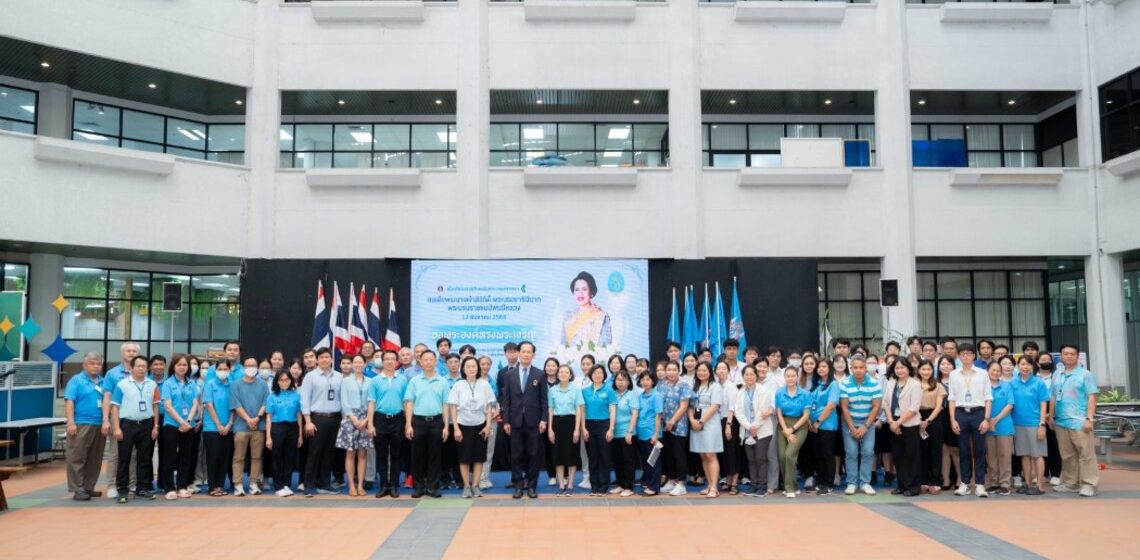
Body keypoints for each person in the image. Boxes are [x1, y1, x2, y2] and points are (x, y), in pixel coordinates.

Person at [498, 341, 549, 499]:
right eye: (524, 351)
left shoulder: (539, 374)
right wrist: (506, 421)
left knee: (533, 455)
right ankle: (518, 486)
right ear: (519, 353)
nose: (526, 354)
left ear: (533, 355)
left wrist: (544, 420)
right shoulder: (509, 375)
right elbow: (506, 401)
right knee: (516, 456)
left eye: (529, 352)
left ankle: (532, 486)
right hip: (515, 422)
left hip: (534, 423)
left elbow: (544, 400)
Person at [109, 355, 160, 503]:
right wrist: (116, 427)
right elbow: (115, 407)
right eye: (138, 366)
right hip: (127, 425)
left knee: (144, 458)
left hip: (147, 424)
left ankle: (142, 488)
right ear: (131, 368)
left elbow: (156, 406)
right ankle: (122, 490)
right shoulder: (122, 385)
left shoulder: (152, 384)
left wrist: (155, 426)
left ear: (147, 368)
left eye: (144, 366)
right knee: (124, 458)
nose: (141, 369)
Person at [1050, 344, 1099, 497]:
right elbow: (1052, 395)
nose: (1069, 356)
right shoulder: (1057, 374)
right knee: (1067, 455)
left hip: (1079, 421)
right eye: (1066, 353)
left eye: (1072, 354)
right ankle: (1071, 483)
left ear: (1077, 356)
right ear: (1061, 356)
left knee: (1086, 453)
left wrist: (1089, 418)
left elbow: (1092, 396)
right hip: (1061, 421)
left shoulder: (1085, 374)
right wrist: (1051, 415)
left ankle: (1089, 484)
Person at [404, 350, 451, 498]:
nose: (429, 362)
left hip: (437, 421)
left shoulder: (442, 381)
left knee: (435, 456)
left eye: (431, 359)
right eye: (426, 359)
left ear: (435, 361)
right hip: (418, 421)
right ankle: (418, 487)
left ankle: (432, 487)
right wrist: (408, 424)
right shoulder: (414, 381)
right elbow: (409, 403)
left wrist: (446, 426)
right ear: (420, 362)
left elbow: (446, 404)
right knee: (417, 455)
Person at [948, 343, 993, 498]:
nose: (965, 356)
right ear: (959, 356)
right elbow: (952, 399)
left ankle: (980, 484)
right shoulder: (954, 374)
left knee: (979, 450)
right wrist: (953, 419)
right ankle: (965, 483)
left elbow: (988, 397)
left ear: (974, 355)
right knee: (963, 450)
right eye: (963, 353)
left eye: (969, 353)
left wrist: (987, 419)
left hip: (978, 413)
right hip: (960, 413)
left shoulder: (982, 373)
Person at [447, 357, 496, 498]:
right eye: (468, 366)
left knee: (479, 458)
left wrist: (487, 426)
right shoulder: (458, 385)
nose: (471, 369)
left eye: (474, 366)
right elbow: (453, 407)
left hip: (480, 425)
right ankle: (466, 486)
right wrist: (455, 428)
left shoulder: (484, 384)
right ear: (463, 369)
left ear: (478, 368)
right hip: (462, 425)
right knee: (464, 458)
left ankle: (475, 486)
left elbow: (489, 406)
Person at [64, 351, 108, 501]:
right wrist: (71, 422)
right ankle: (78, 488)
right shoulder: (76, 380)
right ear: (84, 365)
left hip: (99, 424)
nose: (95, 366)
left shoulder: (103, 382)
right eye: (92, 363)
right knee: (77, 457)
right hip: (81, 423)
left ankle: (89, 487)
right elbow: (69, 400)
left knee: (95, 458)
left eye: (98, 364)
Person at [300, 348, 343, 497]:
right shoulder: (310, 377)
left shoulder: (339, 377)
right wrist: (308, 421)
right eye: (322, 357)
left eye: (327, 357)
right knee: (314, 453)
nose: (325, 359)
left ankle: (324, 483)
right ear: (317, 360)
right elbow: (304, 400)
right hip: (317, 418)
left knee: (329, 453)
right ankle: (309, 485)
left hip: (335, 418)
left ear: (332, 359)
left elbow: (341, 399)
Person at [101, 341, 140, 499]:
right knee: (115, 454)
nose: (131, 353)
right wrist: (106, 419)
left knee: (134, 454)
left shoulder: (142, 372)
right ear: (123, 353)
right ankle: (112, 484)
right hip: (118, 419)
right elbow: (107, 397)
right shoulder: (112, 374)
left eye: (134, 351)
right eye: (128, 351)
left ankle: (132, 483)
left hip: (136, 420)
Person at [367, 350, 408, 498]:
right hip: (380, 419)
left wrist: (407, 423)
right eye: (387, 359)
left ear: (397, 362)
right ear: (382, 362)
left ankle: (395, 485)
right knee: (381, 455)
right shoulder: (375, 381)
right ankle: (384, 485)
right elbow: (371, 403)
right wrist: (370, 424)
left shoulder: (403, 379)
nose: (390, 362)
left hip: (398, 419)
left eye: (393, 359)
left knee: (396, 454)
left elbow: (407, 402)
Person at [158, 354, 199, 500]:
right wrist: (181, 421)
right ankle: (169, 487)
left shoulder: (192, 383)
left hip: (188, 425)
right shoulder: (168, 383)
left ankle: (182, 486)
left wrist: (188, 421)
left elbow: (195, 403)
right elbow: (167, 406)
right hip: (171, 424)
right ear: (173, 366)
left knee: (185, 456)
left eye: (185, 365)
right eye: (179, 365)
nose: (182, 367)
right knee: (169, 456)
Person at [840, 356, 882, 496]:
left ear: (866, 368)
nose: (858, 370)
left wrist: (865, 426)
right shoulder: (845, 383)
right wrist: (852, 428)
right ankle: (851, 483)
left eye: (861, 367)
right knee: (851, 452)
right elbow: (844, 408)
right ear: (851, 369)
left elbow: (876, 407)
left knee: (868, 452)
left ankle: (865, 482)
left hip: (867, 422)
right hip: (849, 422)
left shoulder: (874, 383)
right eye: (855, 367)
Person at [1010, 355, 1049, 496]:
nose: (1025, 367)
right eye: (1022, 364)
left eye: (1028, 364)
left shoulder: (1039, 383)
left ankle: (1039, 485)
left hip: (1034, 424)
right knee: (1024, 455)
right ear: (1018, 366)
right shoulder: (1013, 383)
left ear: (1033, 366)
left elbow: (1043, 404)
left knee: (1037, 455)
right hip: (1018, 424)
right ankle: (1027, 483)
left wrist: (1042, 425)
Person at [230, 357, 269, 496]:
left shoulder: (263, 385)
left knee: (257, 457)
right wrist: (248, 419)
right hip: (241, 427)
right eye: (247, 365)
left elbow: (265, 403)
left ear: (257, 367)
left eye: (253, 365)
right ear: (243, 367)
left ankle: (254, 483)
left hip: (258, 427)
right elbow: (236, 405)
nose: (250, 367)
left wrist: (257, 418)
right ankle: (238, 484)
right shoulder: (235, 385)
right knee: (238, 457)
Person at [883, 360, 922, 497]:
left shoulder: (915, 384)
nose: (900, 370)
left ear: (908, 368)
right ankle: (901, 484)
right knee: (898, 456)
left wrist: (898, 422)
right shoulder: (891, 383)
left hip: (909, 424)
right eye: (897, 368)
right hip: (893, 424)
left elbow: (914, 408)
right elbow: (886, 404)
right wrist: (891, 422)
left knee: (911, 456)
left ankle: (913, 486)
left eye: (902, 367)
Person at [337, 354, 373, 497]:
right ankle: (351, 485)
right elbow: (344, 402)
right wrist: (353, 419)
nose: (358, 364)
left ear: (365, 364)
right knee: (350, 453)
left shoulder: (371, 381)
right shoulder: (345, 381)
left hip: (365, 418)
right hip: (349, 418)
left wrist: (365, 420)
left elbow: (372, 401)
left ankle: (360, 485)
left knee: (363, 454)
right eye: (355, 362)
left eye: (360, 362)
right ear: (352, 365)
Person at [736, 364, 774, 496]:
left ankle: (762, 486)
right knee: (751, 460)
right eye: (746, 374)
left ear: (756, 376)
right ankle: (753, 485)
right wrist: (749, 427)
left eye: (752, 374)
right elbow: (738, 412)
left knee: (760, 458)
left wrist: (755, 426)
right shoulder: (740, 392)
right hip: (747, 431)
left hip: (763, 430)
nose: (749, 377)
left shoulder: (763, 390)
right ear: (743, 376)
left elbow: (763, 411)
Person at [657, 360, 693, 496]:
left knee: (679, 455)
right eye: (669, 370)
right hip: (663, 425)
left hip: (678, 425)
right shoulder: (661, 386)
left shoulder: (683, 385)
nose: (671, 372)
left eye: (674, 370)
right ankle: (671, 481)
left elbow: (684, 406)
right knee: (668, 454)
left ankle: (681, 484)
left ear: (678, 371)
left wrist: (672, 421)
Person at [547, 364, 584, 496]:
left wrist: (577, 429)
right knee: (558, 455)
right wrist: (550, 429)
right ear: (557, 375)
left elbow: (579, 410)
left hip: (571, 422)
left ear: (570, 375)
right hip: (557, 423)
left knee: (572, 454)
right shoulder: (552, 390)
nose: (563, 374)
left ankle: (570, 485)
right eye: (561, 372)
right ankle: (562, 484)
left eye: (566, 372)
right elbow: (550, 410)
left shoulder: (576, 390)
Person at [265, 369, 302, 497]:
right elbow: (268, 417)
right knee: (277, 457)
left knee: (289, 457)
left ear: (291, 380)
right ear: (277, 381)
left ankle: (287, 484)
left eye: (287, 380)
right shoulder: (272, 396)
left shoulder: (296, 395)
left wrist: (300, 435)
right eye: (281, 380)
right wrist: (268, 437)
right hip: (277, 427)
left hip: (292, 428)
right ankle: (278, 485)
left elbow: (299, 415)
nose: (284, 382)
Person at [689, 362, 723, 498]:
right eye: (699, 370)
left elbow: (715, 406)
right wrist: (692, 420)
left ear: (710, 372)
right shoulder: (695, 387)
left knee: (710, 454)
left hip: (710, 423)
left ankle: (714, 487)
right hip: (696, 424)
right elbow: (690, 406)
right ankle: (709, 485)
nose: (701, 373)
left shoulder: (715, 386)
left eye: (704, 370)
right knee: (702, 455)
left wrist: (702, 421)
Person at [581, 364, 616, 496]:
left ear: (604, 375)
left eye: (600, 373)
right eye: (595, 373)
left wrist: (611, 428)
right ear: (591, 375)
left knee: (604, 457)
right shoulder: (585, 391)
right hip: (589, 426)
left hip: (604, 425)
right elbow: (582, 411)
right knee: (593, 457)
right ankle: (594, 485)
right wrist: (583, 428)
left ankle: (604, 486)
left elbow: (612, 410)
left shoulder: (609, 390)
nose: (597, 375)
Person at [774, 366, 809, 498]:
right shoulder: (779, 392)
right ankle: (793, 485)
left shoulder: (805, 394)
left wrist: (792, 430)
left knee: (790, 454)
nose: (790, 378)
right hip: (783, 426)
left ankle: (789, 489)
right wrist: (786, 430)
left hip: (800, 426)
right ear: (784, 377)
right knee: (782, 457)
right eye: (787, 376)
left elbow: (806, 415)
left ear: (797, 377)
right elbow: (779, 413)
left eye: (793, 376)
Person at [202, 359, 235, 497]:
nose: (223, 371)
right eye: (220, 369)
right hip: (212, 428)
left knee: (224, 458)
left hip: (228, 428)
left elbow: (235, 406)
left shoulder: (232, 385)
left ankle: (220, 485)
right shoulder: (210, 384)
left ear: (229, 370)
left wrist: (229, 424)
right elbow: (208, 404)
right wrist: (219, 425)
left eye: (225, 369)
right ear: (215, 370)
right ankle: (212, 486)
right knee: (213, 457)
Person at [808, 357, 840, 495]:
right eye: (819, 367)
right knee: (818, 454)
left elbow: (831, 405)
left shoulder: (834, 385)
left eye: (824, 367)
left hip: (826, 425)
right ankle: (821, 481)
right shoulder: (816, 384)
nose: (821, 369)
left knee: (827, 454)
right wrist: (810, 422)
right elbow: (809, 404)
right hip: (813, 426)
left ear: (830, 369)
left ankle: (829, 484)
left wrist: (818, 422)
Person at [984, 361, 1015, 496]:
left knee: (1004, 456)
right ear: (987, 371)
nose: (995, 373)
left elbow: (1010, 405)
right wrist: (988, 421)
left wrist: (995, 419)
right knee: (991, 456)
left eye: (998, 370)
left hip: (1004, 425)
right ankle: (993, 483)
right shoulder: (983, 386)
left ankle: (1005, 484)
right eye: (993, 370)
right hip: (987, 426)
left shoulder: (1007, 386)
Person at [916, 360, 946, 495]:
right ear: (918, 370)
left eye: (928, 369)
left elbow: (939, 406)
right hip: (916, 417)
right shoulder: (913, 384)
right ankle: (923, 480)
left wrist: (927, 421)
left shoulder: (938, 386)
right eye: (923, 369)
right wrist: (919, 420)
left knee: (935, 450)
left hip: (934, 418)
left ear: (932, 371)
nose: (926, 372)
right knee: (921, 451)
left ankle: (936, 481)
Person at [562, 272, 613, 347]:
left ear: (591, 291)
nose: (580, 293)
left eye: (584, 289)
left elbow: (606, 347)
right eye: (577, 290)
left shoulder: (601, 316)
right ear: (573, 293)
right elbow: (563, 346)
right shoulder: (568, 316)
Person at [634, 372, 663, 496]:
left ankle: (655, 487)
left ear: (652, 381)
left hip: (652, 433)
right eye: (642, 379)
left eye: (648, 379)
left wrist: (656, 434)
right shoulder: (640, 395)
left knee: (654, 461)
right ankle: (649, 484)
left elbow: (658, 415)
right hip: (641, 433)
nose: (645, 382)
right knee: (646, 462)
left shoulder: (656, 395)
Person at [610, 371, 639, 497]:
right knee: (618, 460)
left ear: (628, 382)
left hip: (628, 433)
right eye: (618, 380)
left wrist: (629, 432)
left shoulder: (632, 395)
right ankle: (621, 484)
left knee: (628, 460)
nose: (620, 382)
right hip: (614, 433)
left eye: (623, 380)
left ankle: (628, 486)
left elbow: (635, 414)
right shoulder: (613, 394)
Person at [713, 360, 740, 495]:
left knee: (732, 452)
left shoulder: (731, 386)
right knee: (724, 453)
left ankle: (734, 483)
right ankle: (728, 481)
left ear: (728, 371)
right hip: (717, 422)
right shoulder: (716, 386)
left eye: (724, 368)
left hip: (729, 421)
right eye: (719, 368)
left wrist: (728, 425)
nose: (721, 371)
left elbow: (732, 407)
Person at [1036, 352, 1062, 485]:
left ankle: (1056, 473)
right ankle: (1043, 473)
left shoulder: (1057, 377)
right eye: (1042, 360)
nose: (1046, 361)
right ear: (1037, 363)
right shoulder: (1034, 378)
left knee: (1053, 445)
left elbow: (1058, 397)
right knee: (1040, 444)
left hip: (1053, 413)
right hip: (1037, 414)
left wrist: (1050, 414)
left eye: (1048, 359)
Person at [937, 356, 962, 491]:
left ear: (954, 366)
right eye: (943, 364)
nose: (946, 366)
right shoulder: (934, 382)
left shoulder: (958, 381)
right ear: (939, 366)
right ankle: (945, 479)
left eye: (949, 364)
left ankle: (959, 477)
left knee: (955, 449)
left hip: (955, 416)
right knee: (944, 449)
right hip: (939, 418)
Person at [477, 354, 500, 491]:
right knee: (477, 449)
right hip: (476, 420)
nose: (485, 366)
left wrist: (497, 411)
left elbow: (495, 400)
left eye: (488, 364)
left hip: (491, 420)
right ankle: (476, 478)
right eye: (483, 364)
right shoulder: (474, 380)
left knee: (489, 449)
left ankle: (485, 477)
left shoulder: (493, 381)